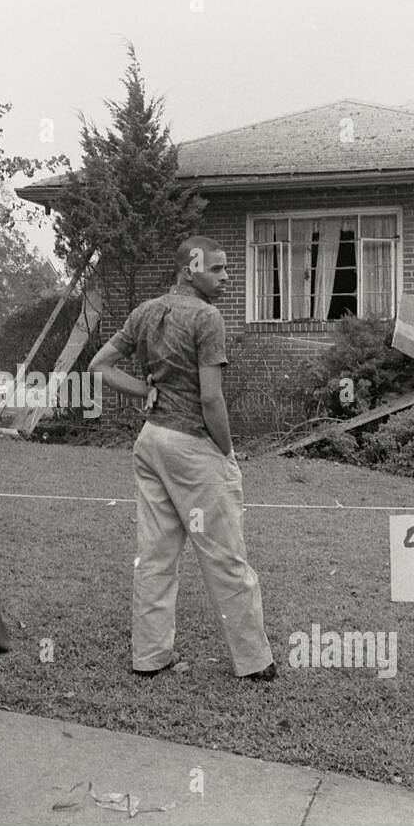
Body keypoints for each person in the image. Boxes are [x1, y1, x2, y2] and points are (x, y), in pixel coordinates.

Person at [88, 236, 278, 681]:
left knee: (155, 555)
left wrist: (145, 391)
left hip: (151, 441)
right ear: (190, 269)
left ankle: (150, 658)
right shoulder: (208, 317)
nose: (226, 277)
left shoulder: (146, 312)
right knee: (226, 556)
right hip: (192, 447)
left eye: (226, 268)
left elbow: (99, 365)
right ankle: (255, 664)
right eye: (217, 269)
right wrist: (227, 453)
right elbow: (212, 399)